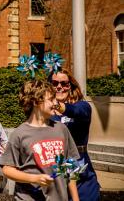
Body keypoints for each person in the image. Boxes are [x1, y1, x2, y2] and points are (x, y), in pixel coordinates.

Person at [0, 79, 80, 201]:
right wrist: (34, 179)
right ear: (37, 101)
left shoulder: (61, 129)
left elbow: (71, 167)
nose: (56, 103)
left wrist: (75, 199)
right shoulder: (19, 134)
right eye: (51, 99)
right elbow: (7, 169)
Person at [49, 68, 101, 200]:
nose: (59, 87)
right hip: (54, 168)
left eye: (64, 84)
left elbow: (76, 111)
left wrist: (58, 106)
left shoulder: (82, 106)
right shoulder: (45, 114)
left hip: (80, 168)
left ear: (70, 86)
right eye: (54, 83)